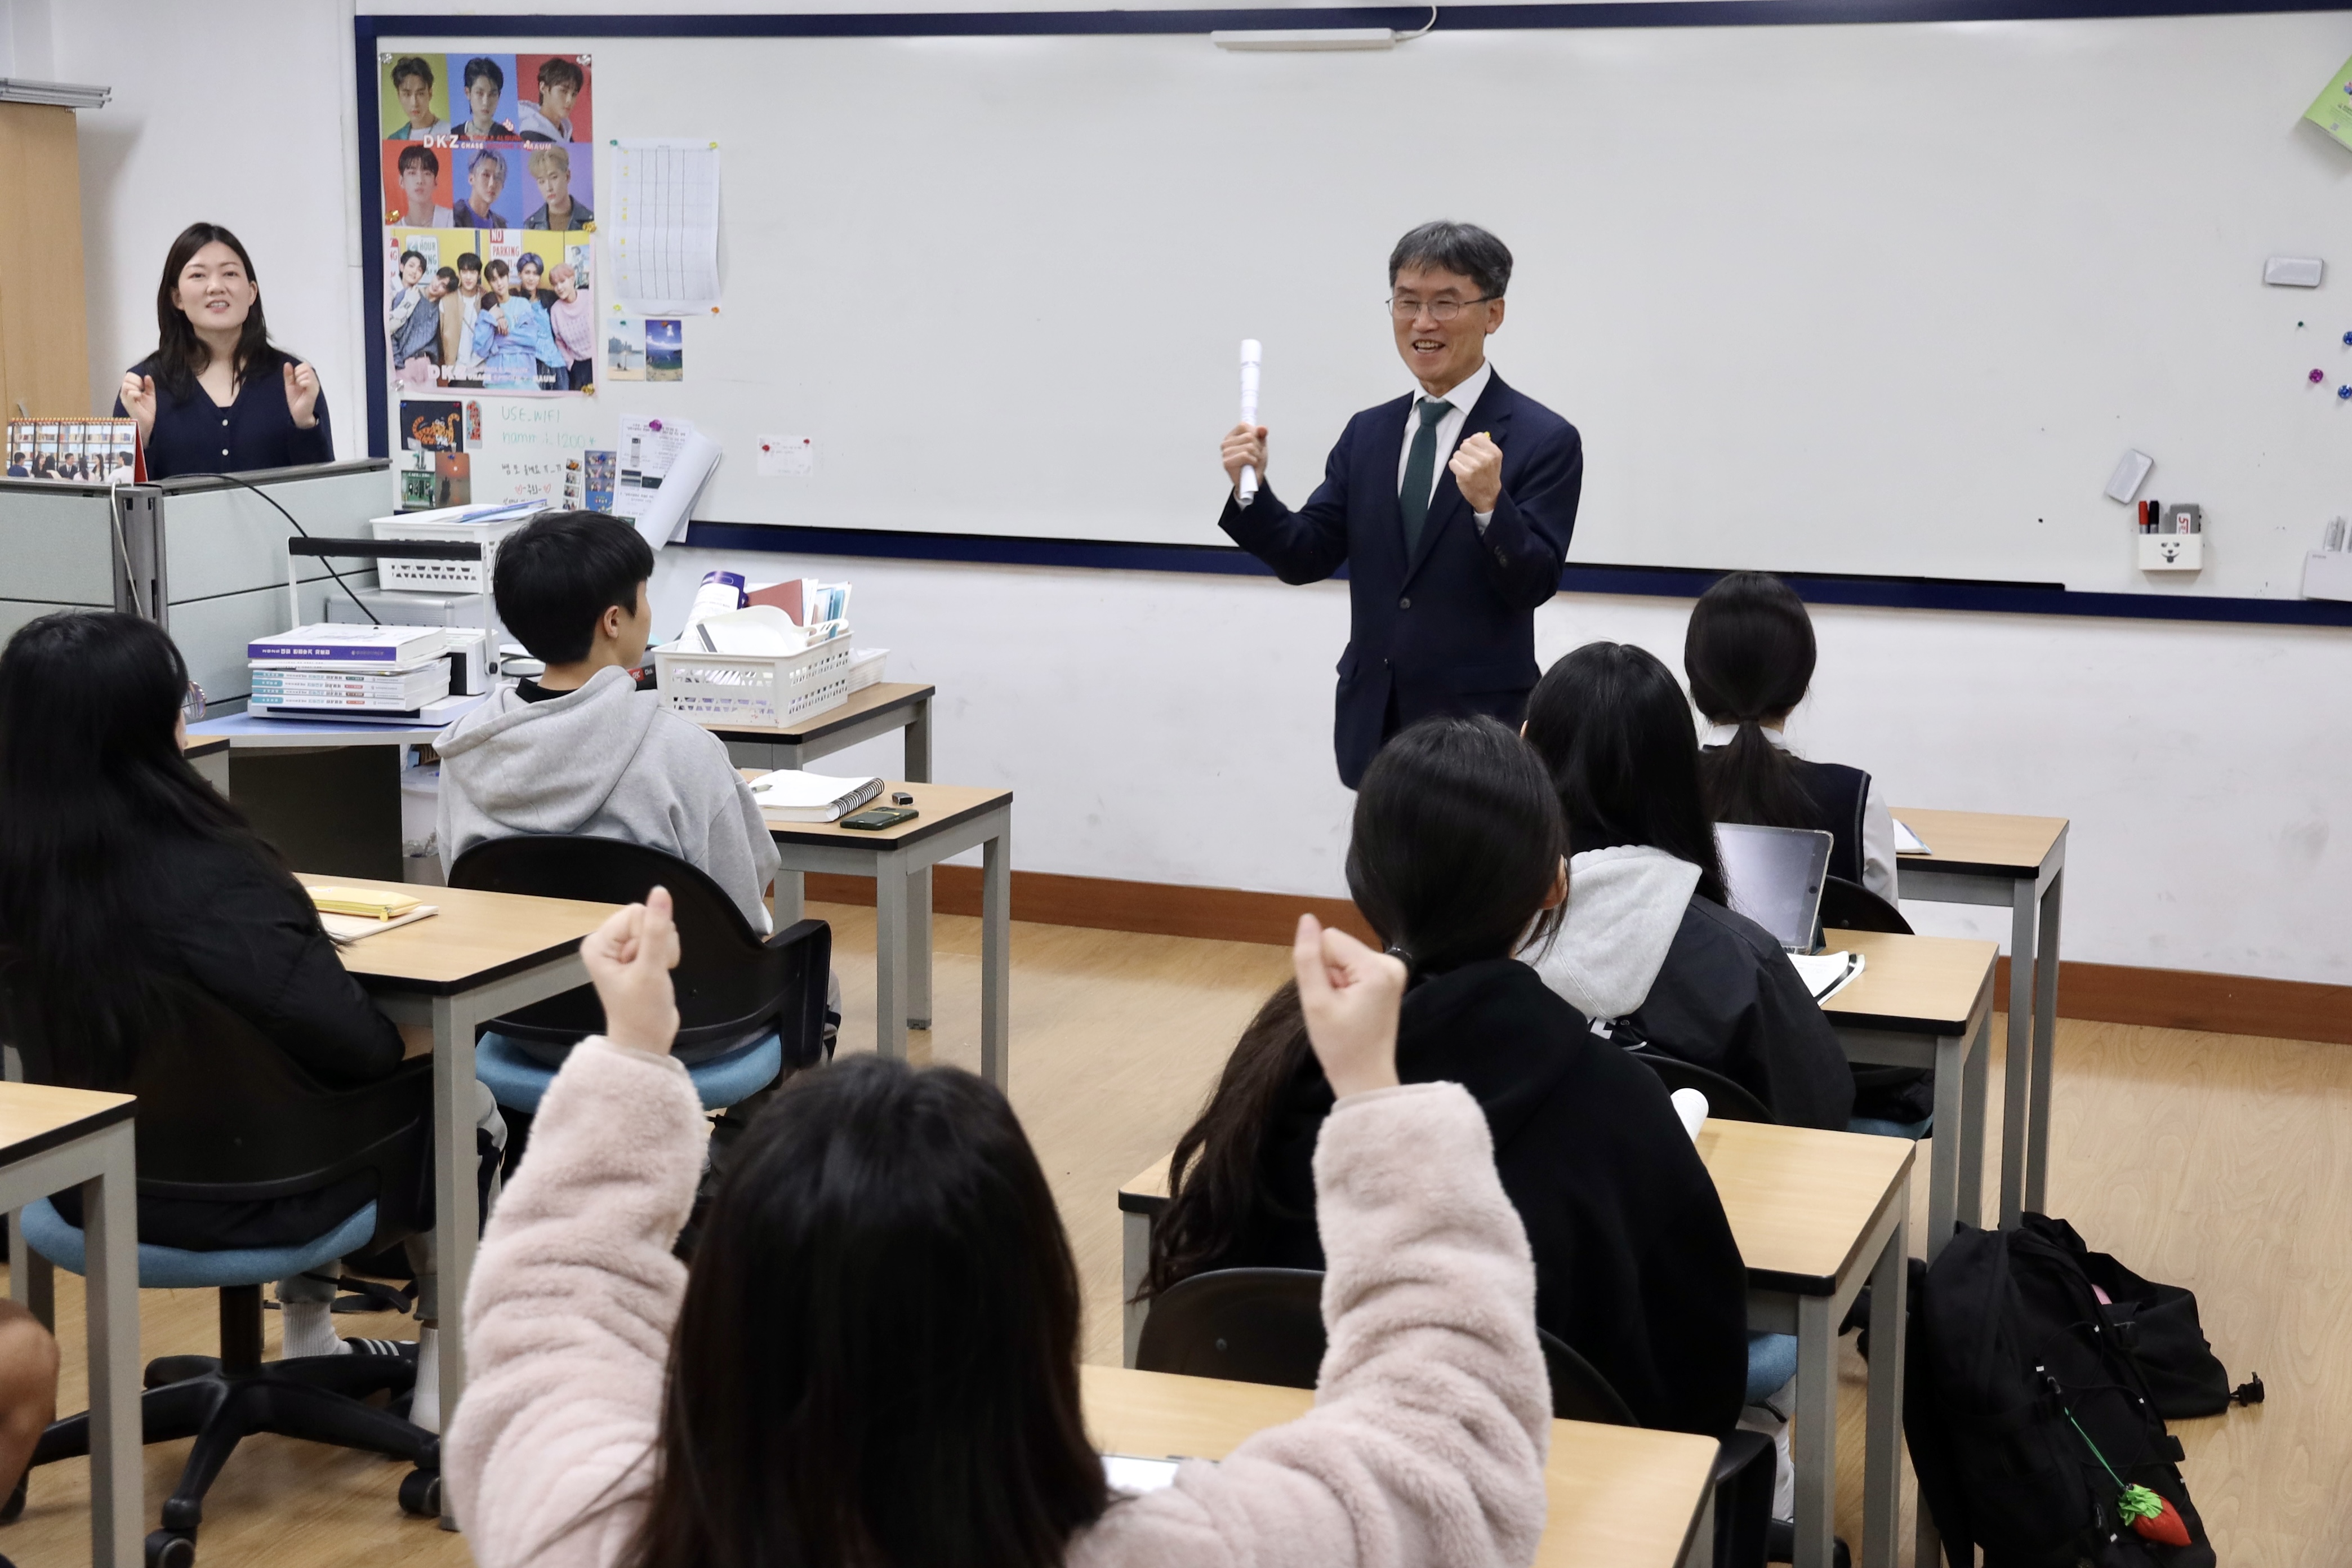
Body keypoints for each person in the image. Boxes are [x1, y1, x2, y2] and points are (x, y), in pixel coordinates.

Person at [445, 883, 1551, 1568]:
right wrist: (1373, 1096)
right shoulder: (1194, 1553)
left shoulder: (583, 1532)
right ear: (1034, 1314)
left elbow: (551, 1307)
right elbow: (1446, 1447)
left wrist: (636, 1056)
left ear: (727, 1314)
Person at [1146, 716, 1748, 1437]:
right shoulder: (1618, 1098)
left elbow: (1199, 1314)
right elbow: (1703, 1375)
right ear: (1557, 884)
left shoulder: (1282, 1061)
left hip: (1295, 1471)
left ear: (1363, 882)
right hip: (1540, 1508)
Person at [0, 611, 505, 1429]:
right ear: (144, 731)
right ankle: (447, 1384)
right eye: (178, 701)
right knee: (457, 1094)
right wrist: (425, 1040)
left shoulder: (23, 870)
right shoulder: (214, 873)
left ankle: (312, 1338)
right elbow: (357, 1046)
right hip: (261, 1196)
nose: (188, 715)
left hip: (81, 1185)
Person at [1217, 221, 1584, 789]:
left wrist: (1492, 507)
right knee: (1381, 877)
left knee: (1475, 878)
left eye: (1446, 303)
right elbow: (1305, 555)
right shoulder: (1369, 433)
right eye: (1407, 302)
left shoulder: (1544, 438)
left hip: (1480, 732)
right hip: (1377, 721)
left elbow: (1533, 583)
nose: (1423, 323)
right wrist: (1255, 491)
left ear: (1493, 314)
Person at [1520, 641, 1854, 1130]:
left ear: (1526, 751)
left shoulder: (1473, 942)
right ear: (1684, 770)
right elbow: (1821, 1113)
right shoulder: (1742, 959)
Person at [435, 511, 780, 931]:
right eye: (645, 595)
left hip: (510, 991)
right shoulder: (685, 751)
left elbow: (461, 886)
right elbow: (740, 905)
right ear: (614, 621)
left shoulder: (466, 748)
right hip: (659, 991)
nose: (649, 612)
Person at [1687, 571, 1898, 903]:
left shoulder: (1652, 789)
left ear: (1696, 683)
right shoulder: (1856, 798)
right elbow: (1885, 933)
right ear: (1800, 685)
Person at [114, 222, 331, 481]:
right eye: (198, 276)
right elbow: (122, 507)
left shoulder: (293, 380)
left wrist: (305, 424)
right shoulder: (143, 387)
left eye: (229, 274)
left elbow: (325, 493)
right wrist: (142, 436)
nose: (216, 286)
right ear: (177, 298)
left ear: (251, 293)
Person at [468, 259, 564, 390]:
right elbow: (481, 348)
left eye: (502, 277)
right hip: (497, 378)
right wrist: (492, 318)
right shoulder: (488, 311)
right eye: (494, 280)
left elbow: (530, 338)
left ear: (508, 277)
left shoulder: (523, 304)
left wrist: (497, 343)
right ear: (490, 283)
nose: (499, 283)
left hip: (524, 376)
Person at [520, 141, 593, 231]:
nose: (549, 188)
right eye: (541, 181)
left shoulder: (590, 220)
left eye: (554, 178)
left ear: (567, 176)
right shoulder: (531, 225)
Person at [547, 262, 594, 390]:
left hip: (599, 360)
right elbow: (559, 342)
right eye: (555, 284)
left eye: (562, 281)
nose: (559, 288)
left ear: (572, 279)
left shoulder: (590, 297)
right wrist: (572, 365)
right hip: (579, 367)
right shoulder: (556, 310)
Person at [515, 56, 583, 142]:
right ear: (543, 88)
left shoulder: (565, 131)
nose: (569, 100)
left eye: (574, 94)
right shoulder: (532, 135)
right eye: (563, 91)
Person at [440, 252, 484, 382]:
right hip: (456, 370)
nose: (468, 277)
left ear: (479, 275)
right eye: (464, 272)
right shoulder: (447, 301)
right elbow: (441, 337)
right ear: (459, 273)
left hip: (483, 369)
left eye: (473, 272)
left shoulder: (486, 298)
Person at [386, 55, 453, 139]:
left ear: (430, 93)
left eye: (420, 94)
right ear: (399, 96)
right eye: (407, 94)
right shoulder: (395, 139)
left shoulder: (450, 133)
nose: (414, 103)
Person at [391, 143, 453, 229]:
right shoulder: (395, 229)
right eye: (412, 173)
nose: (420, 181)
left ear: (435, 182)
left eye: (427, 173)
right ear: (402, 181)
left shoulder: (451, 220)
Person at [457, 56, 516, 140]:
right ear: (468, 93)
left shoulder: (512, 139)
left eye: (492, 94)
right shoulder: (453, 135)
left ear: (499, 95)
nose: (486, 102)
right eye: (480, 93)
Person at [459, 146, 511, 230]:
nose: (492, 184)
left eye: (498, 178)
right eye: (486, 175)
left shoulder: (501, 225)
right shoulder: (454, 216)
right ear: (471, 179)